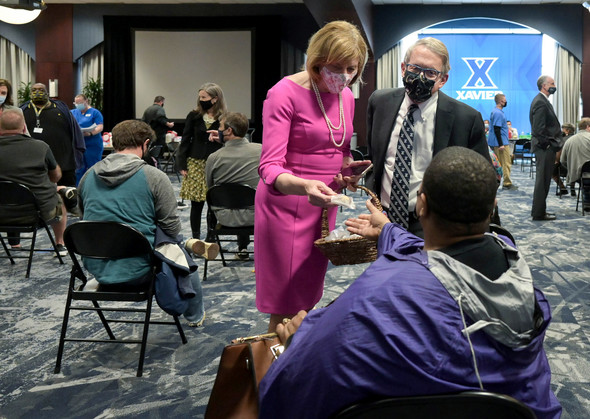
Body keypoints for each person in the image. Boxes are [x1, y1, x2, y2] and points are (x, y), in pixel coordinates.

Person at [259, 147, 562, 419]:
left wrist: (295, 345)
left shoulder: (375, 300)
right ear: (492, 205)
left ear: (422, 205)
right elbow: (435, 255)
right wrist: (388, 230)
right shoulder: (519, 278)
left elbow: (294, 387)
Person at [255, 20, 369, 332]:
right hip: (286, 205)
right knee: (286, 302)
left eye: (352, 69)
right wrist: (305, 185)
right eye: (337, 67)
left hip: (323, 204)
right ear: (317, 61)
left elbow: (338, 148)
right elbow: (269, 168)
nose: (344, 77)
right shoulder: (283, 94)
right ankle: (275, 370)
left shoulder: (344, 94)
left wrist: (347, 172)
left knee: (307, 296)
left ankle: (297, 363)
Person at [78, 119, 205, 326]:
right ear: (146, 144)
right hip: (141, 270)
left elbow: (84, 218)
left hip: (97, 266)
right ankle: (194, 316)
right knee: (181, 251)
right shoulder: (154, 176)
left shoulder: (88, 176)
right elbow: (172, 228)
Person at [367, 37, 490, 238]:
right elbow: (375, 156)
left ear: (443, 79)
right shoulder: (379, 102)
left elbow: (483, 178)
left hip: (434, 222)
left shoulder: (466, 119)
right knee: (387, 269)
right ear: (403, 68)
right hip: (383, 216)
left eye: (430, 73)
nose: (420, 77)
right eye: (415, 69)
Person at [0, 108, 69, 256]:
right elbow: (55, 177)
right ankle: (60, 243)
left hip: (1, 212)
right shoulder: (41, 147)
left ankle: (14, 243)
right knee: (60, 195)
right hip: (35, 213)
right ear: (24, 127)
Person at [205, 112, 261, 259]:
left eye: (220, 127)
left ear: (229, 130)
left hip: (225, 217)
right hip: (257, 216)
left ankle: (213, 240)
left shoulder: (214, 157)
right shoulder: (262, 151)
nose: (218, 130)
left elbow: (210, 188)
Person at [178, 83, 227, 243]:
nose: (201, 100)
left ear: (215, 99)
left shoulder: (225, 117)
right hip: (195, 162)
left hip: (215, 164)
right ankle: (196, 238)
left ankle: (211, 236)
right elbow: (185, 140)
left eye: (204, 97)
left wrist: (220, 138)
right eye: (200, 97)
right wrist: (182, 163)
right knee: (196, 203)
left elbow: (230, 141)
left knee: (213, 203)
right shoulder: (193, 115)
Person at [21, 83, 85, 189]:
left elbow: (74, 132)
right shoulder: (22, 111)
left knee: (68, 197)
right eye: (34, 90)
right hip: (33, 166)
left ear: (47, 93)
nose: (37, 92)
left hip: (64, 164)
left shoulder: (62, 109)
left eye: (41, 90)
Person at [529, 75, 562, 221]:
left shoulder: (542, 101)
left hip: (545, 147)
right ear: (544, 86)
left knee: (544, 180)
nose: (554, 85)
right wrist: (547, 144)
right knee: (542, 181)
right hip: (544, 148)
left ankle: (540, 211)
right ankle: (538, 213)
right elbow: (538, 129)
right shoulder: (541, 102)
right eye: (552, 83)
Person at [71, 94, 104, 184]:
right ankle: (78, 189)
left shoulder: (95, 113)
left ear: (86, 101)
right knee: (78, 169)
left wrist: (90, 133)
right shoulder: (73, 112)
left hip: (93, 145)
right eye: (76, 103)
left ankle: (93, 187)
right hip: (78, 145)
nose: (78, 105)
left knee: (93, 168)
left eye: (80, 103)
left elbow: (100, 127)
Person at [560, 117, 590, 211]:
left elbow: (562, 160)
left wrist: (572, 168)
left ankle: (586, 202)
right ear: (588, 127)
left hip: (576, 176)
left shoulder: (569, 141)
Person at [488, 93, 515, 190]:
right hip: (500, 143)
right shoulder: (498, 113)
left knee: (498, 164)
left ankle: (496, 182)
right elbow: (496, 129)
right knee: (505, 163)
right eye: (504, 99)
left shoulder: (496, 112)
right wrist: (501, 144)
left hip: (498, 142)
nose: (506, 101)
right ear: (500, 101)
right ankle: (507, 183)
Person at [561, 123, 576, 196]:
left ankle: (562, 188)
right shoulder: (577, 138)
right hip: (580, 166)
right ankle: (572, 188)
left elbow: (562, 159)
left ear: (567, 131)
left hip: (566, 166)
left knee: (552, 171)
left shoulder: (563, 140)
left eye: (563, 129)